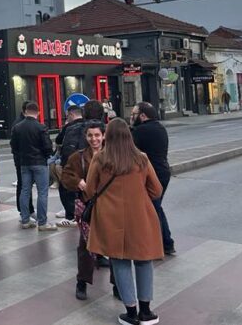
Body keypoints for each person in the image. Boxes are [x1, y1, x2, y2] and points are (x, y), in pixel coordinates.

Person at [85, 118, 163, 325]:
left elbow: (91, 190)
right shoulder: (142, 159)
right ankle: (146, 312)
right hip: (140, 217)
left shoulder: (100, 159)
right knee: (144, 260)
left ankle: (130, 312)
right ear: (129, 136)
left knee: (119, 261)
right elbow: (156, 190)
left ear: (107, 137)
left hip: (109, 219)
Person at [60, 121, 110, 301]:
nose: (94, 139)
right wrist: (78, 182)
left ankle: (118, 285)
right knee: (85, 247)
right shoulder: (78, 157)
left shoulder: (112, 155)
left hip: (110, 208)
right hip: (88, 208)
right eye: (90, 135)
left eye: (97, 135)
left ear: (103, 135)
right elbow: (65, 175)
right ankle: (82, 282)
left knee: (114, 247)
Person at [130, 102, 174, 256]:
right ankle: (166, 243)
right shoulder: (159, 127)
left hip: (152, 175)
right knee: (155, 207)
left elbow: (129, 147)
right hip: (163, 172)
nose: (131, 117)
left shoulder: (141, 131)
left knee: (152, 210)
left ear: (142, 116)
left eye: (133, 114)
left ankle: (163, 244)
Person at [10, 102, 57, 232]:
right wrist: (46, 155)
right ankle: (42, 222)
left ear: (26, 112)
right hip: (39, 162)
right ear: (38, 112)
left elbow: (13, 146)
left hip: (24, 163)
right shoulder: (41, 127)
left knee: (25, 190)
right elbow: (47, 147)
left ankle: (25, 220)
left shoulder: (17, 127)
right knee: (42, 192)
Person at [54, 105, 86, 227]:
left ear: (71, 115)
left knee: (66, 188)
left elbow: (58, 140)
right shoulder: (87, 124)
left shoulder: (69, 127)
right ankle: (81, 213)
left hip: (71, 162)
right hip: (85, 162)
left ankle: (71, 216)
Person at [10, 102, 34, 217]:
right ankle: (26, 211)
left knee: (24, 184)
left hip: (21, 158)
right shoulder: (20, 124)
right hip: (24, 160)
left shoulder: (18, 122)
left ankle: (26, 210)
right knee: (24, 185)